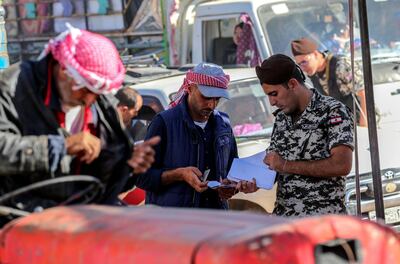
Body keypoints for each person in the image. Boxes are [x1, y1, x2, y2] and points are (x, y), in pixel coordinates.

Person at [0, 25, 158, 218]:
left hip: (80, 222)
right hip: (20, 222)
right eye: (85, 90)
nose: (89, 101)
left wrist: (128, 166)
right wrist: (60, 146)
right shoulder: (12, 88)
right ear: (63, 72)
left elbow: (102, 184)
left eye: (97, 94)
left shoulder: (99, 102)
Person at [136, 62, 257, 209]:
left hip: (214, 219)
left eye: (217, 99)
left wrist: (232, 187)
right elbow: (141, 177)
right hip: (174, 222)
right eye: (206, 97)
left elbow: (232, 171)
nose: (211, 105)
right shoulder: (164, 123)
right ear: (191, 88)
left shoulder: (223, 124)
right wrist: (179, 174)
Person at [256, 54, 354, 216]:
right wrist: (253, 181)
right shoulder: (281, 117)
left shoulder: (332, 111)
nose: (271, 102)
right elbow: (275, 164)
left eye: (274, 94)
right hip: (285, 220)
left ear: (292, 84)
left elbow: (341, 165)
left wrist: (286, 165)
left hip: (322, 222)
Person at [291, 37, 367, 126]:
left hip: (361, 123)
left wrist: (364, 124)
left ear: (315, 54)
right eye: (299, 64)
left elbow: (364, 93)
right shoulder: (313, 74)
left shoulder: (341, 65)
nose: (303, 68)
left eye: (304, 62)